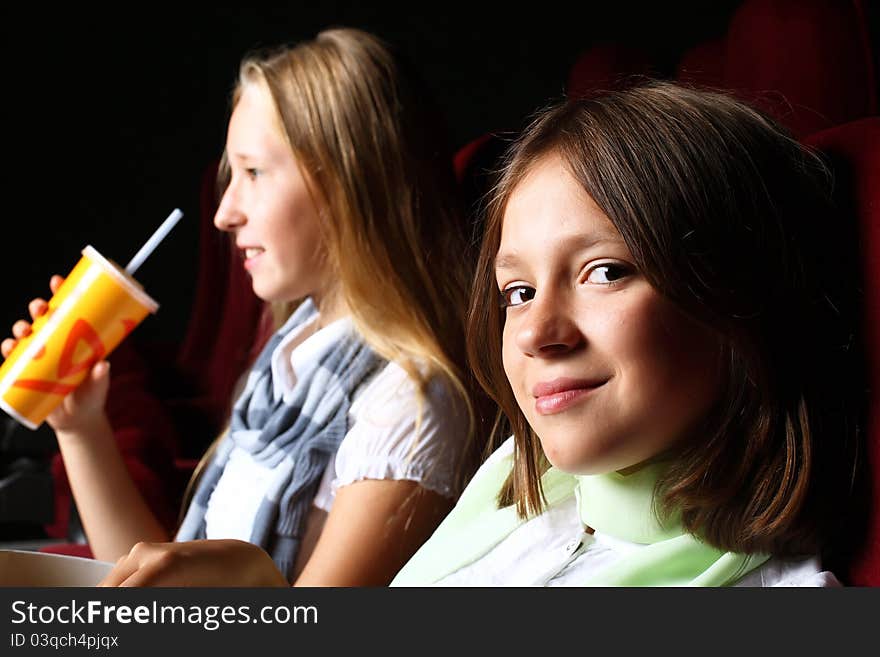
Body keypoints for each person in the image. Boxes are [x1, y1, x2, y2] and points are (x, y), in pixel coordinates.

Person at [3, 27, 482, 586]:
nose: (224, 213)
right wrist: (80, 427)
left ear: (350, 182)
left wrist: (252, 580)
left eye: (253, 173)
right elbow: (144, 588)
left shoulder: (412, 405)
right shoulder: (293, 348)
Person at [391, 81, 864, 586]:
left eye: (606, 272)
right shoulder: (508, 487)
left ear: (742, 295)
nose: (535, 332)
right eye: (520, 292)